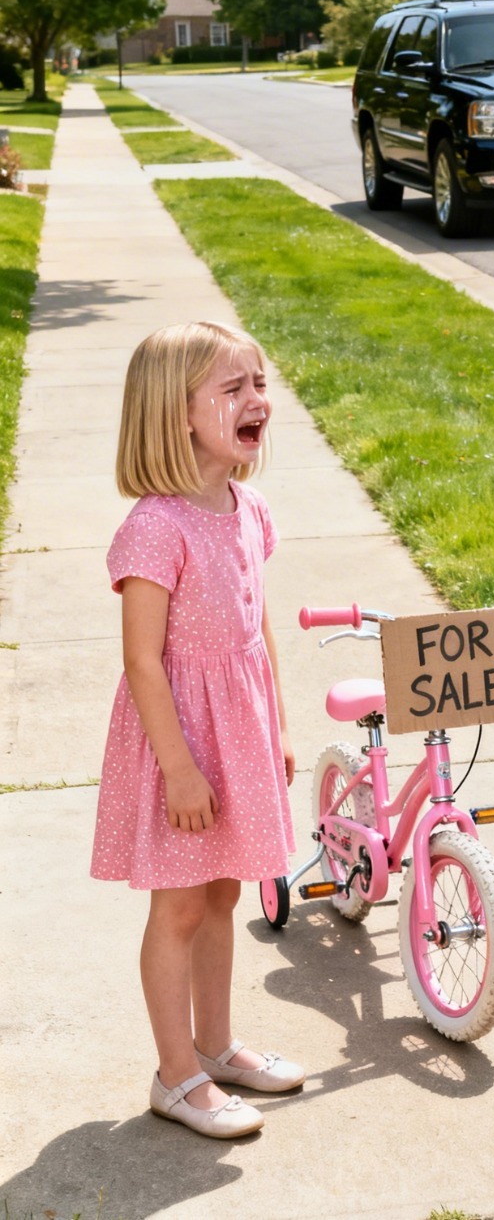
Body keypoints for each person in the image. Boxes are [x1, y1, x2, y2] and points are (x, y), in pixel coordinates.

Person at [91, 321, 303, 1140]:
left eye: (260, 383)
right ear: (175, 414)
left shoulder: (247, 507)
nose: (259, 401)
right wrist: (179, 770)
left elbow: (258, 629)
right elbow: (143, 662)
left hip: (238, 731)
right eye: (234, 389)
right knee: (179, 907)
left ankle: (215, 1046)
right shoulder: (156, 525)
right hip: (179, 739)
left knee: (224, 891)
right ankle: (175, 1076)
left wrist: (277, 725)